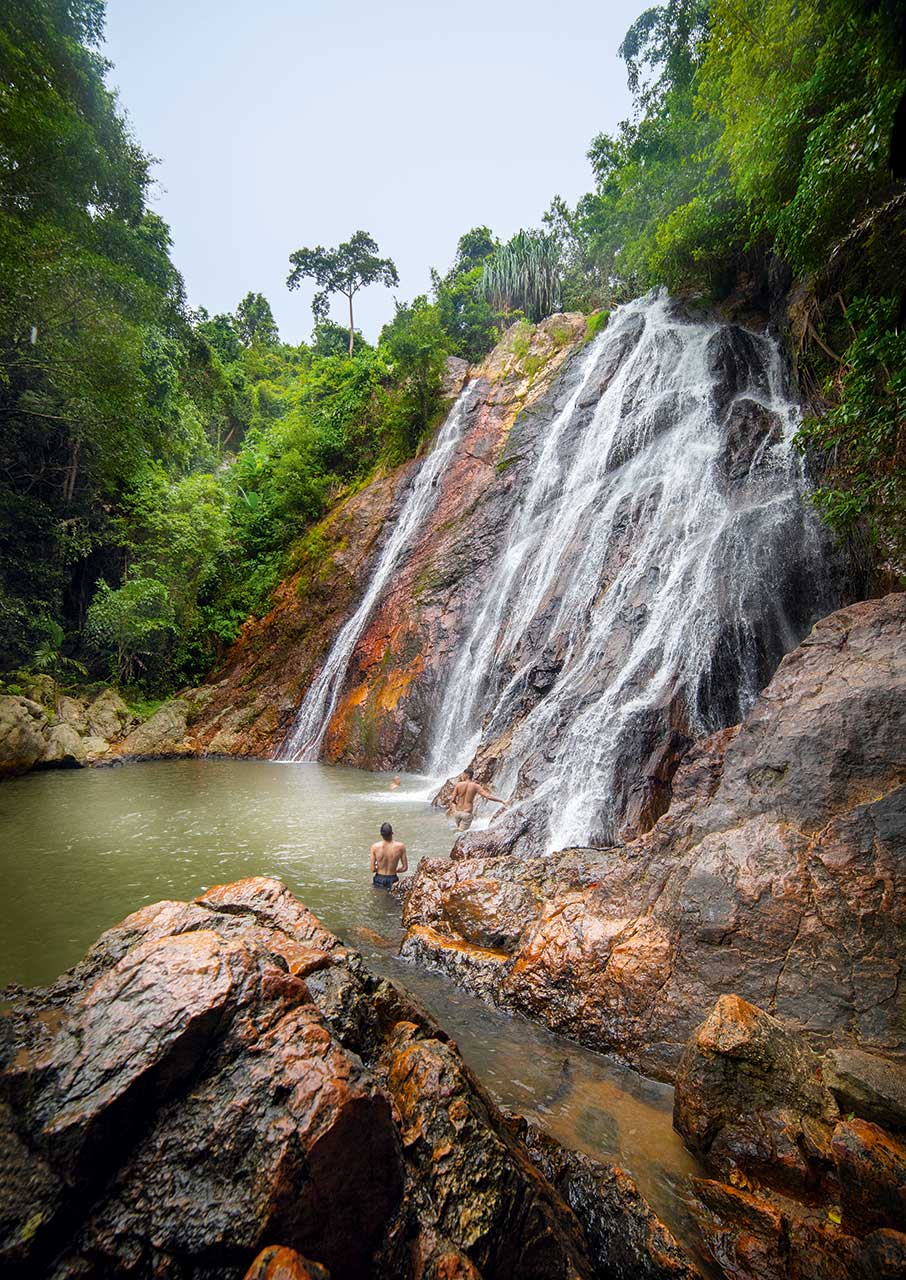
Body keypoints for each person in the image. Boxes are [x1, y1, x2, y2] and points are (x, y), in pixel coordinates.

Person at [370, 821, 408, 889]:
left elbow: (372, 869)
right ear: (392, 833)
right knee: (392, 899)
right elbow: (404, 868)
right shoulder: (401, 846)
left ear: (381, 834)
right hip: (393, 879)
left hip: (379, 878)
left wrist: (378, 868)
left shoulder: (375, 847)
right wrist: (394, 870)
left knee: (379, 898)